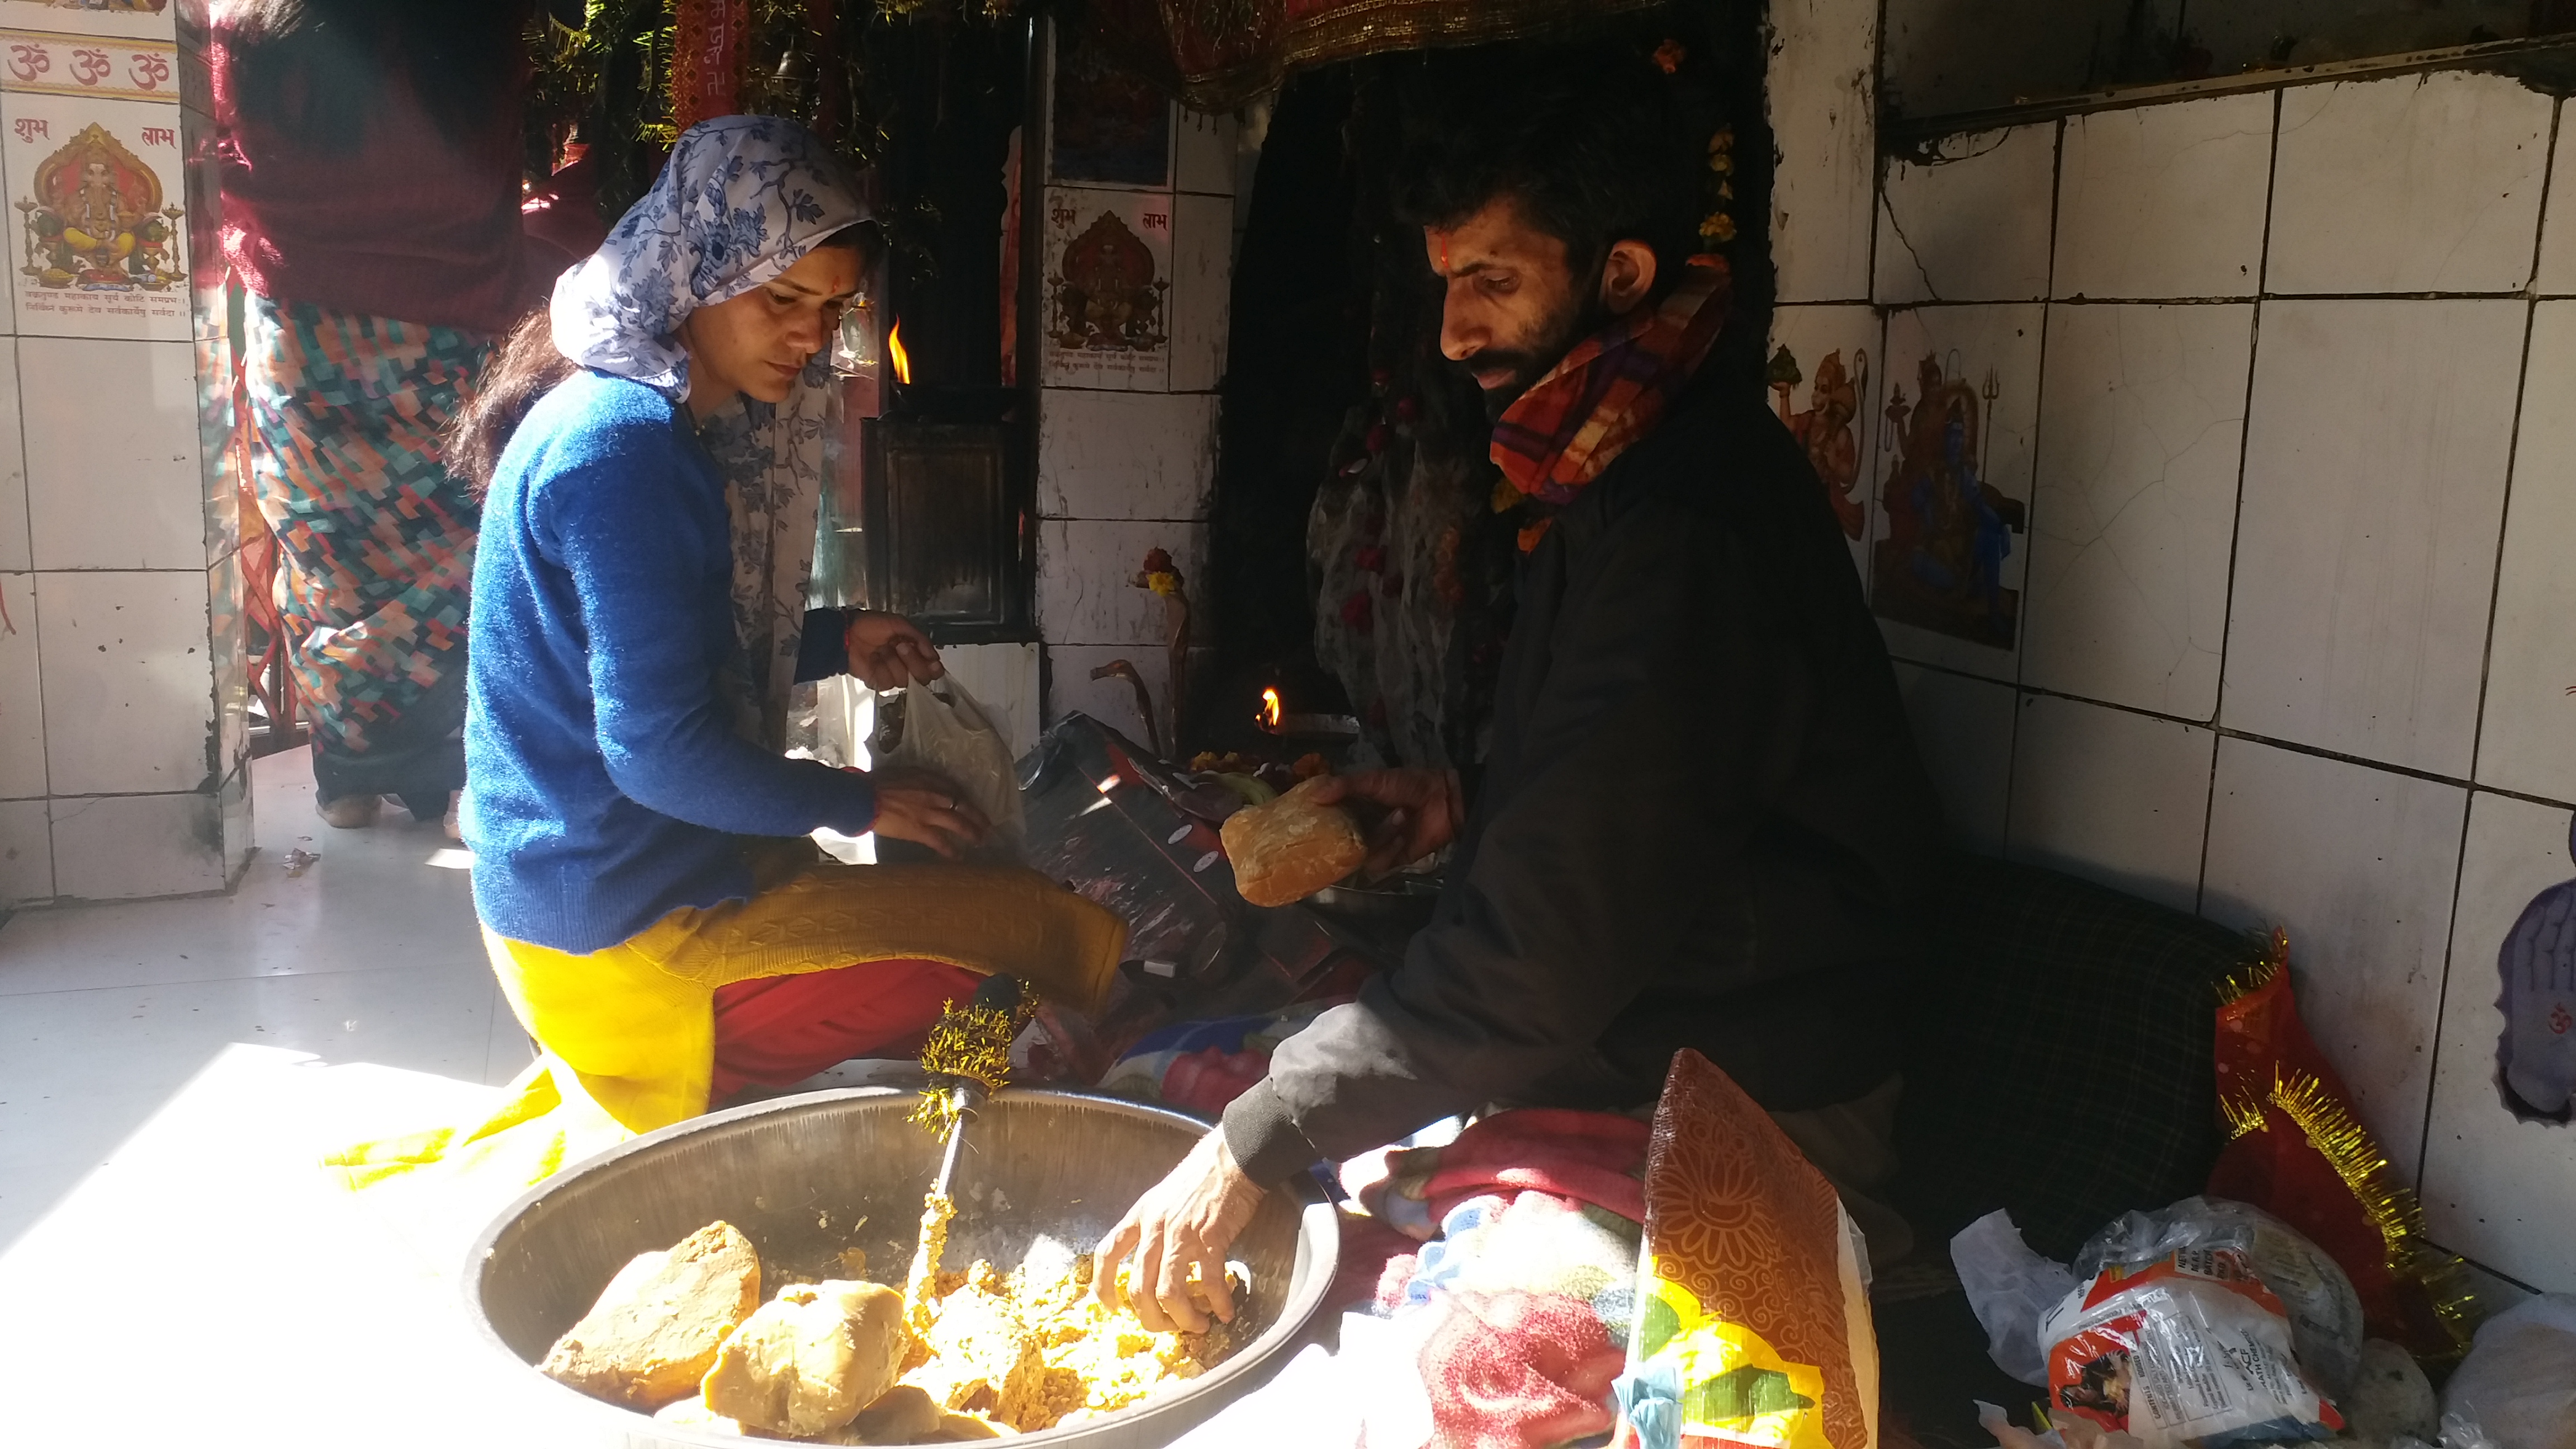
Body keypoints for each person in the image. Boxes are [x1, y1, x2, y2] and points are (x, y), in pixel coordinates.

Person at [1095, 51, 1943, 1332]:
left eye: (1491, 280)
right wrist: (1468, 804)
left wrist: (1255, 1138)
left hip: (1758, 1102)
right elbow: (1652, 806)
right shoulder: (1624, 474)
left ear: (1621, 274)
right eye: (1445, 285)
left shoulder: (1686, 528)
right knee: (1227, 1104)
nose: (1452, 334)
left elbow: (1543, 958)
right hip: (1650, 1035)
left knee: (1436, 1310)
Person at [440, 116, 1126, 1143]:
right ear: (699, 273)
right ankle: (1026, 1128)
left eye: (832, 308)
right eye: (782, 301)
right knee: (1039, 940)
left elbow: (662, 657)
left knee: (977, 912)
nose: (810, 338)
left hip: (608, 883)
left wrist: (835, 639)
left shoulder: (629, 413)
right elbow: (657, 754)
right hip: (619, 934)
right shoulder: (623, 449)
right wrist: (860, 802)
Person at [214, 0, 561, 834]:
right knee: (460, 557)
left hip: (311, 346)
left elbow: (215, 163)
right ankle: (456, 767)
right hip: (459, 340)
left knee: (335, 557)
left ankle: (351, 778)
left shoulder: (250, 25)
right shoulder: (479, 31)